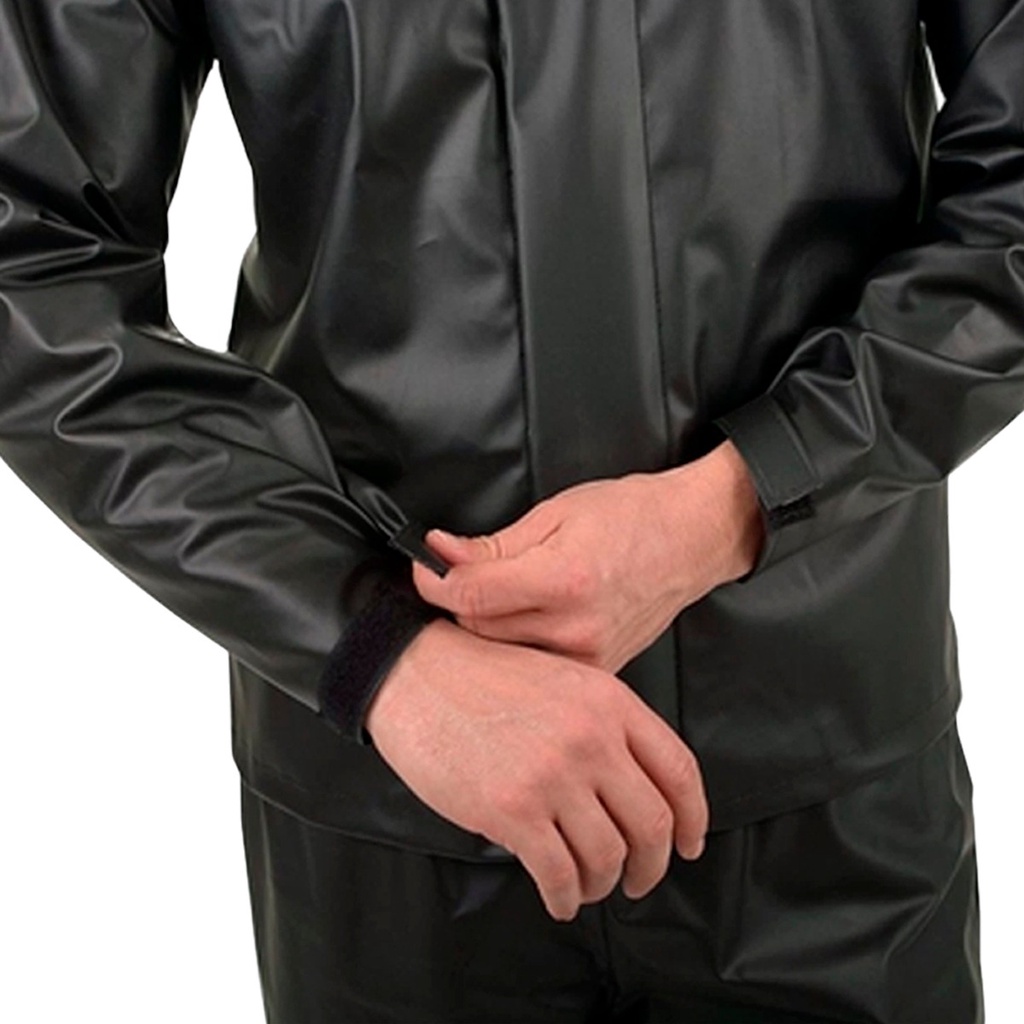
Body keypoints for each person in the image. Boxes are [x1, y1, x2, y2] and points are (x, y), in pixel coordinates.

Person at [1, 1, 1020, 1020]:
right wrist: (374, 652)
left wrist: (741, 499)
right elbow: (30, 268)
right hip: (395, 803)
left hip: (826, 792)